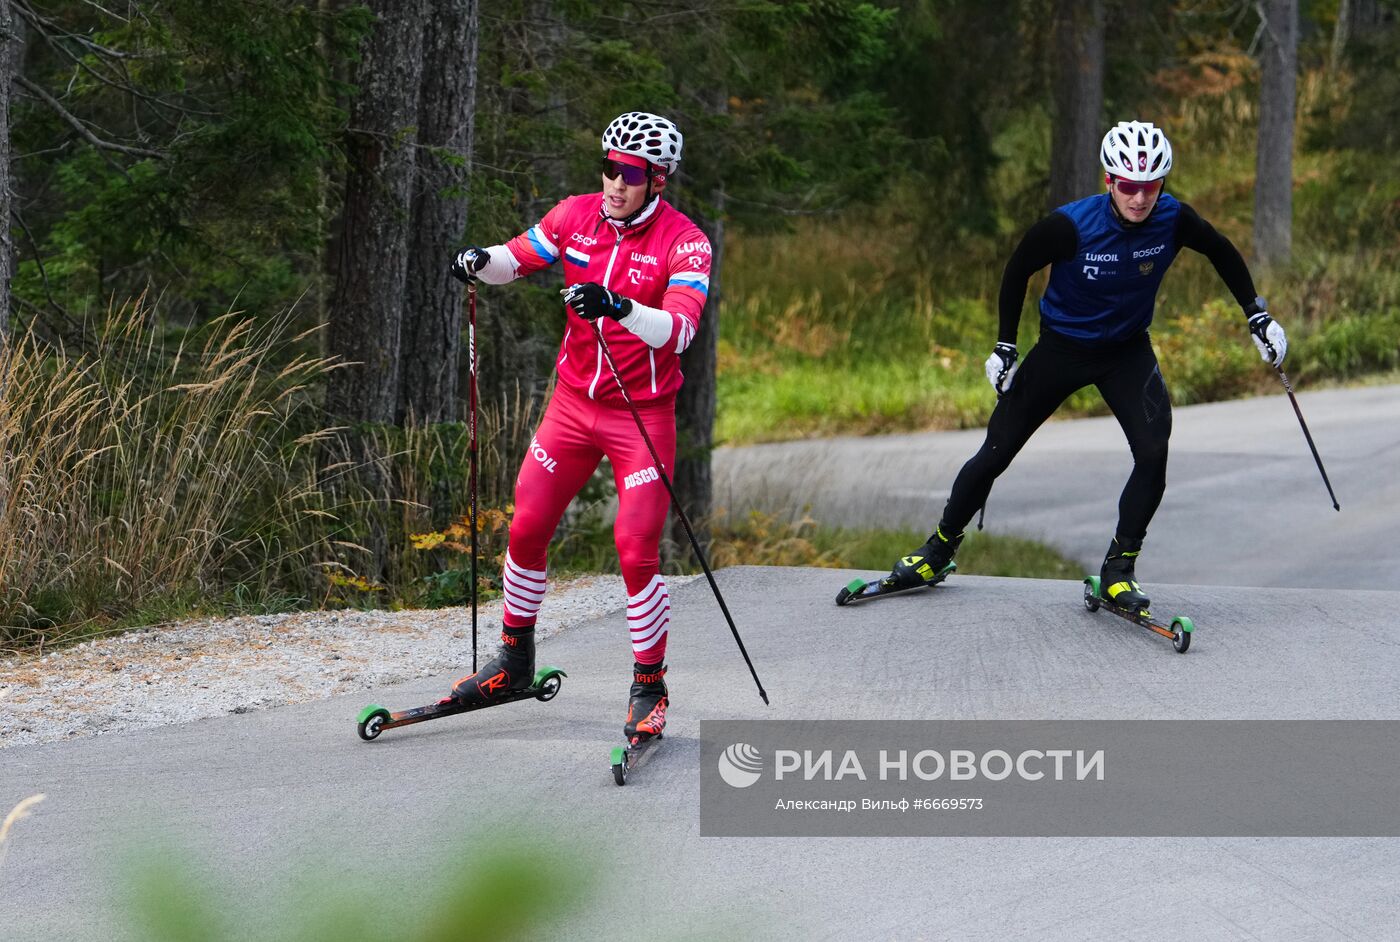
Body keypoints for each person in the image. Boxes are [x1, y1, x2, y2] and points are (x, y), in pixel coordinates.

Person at [882, 120, 1288, 612]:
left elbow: (1221, 251)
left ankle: (1119, 569)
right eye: (1129, 186)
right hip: (1062, 348)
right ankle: (938, 550)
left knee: (1154, 452)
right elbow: (1016, 270)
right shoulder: (1070, 226)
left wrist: (1257, 315)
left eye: (1152, 186)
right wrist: (1004, 346)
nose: (1140, 199)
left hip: (1126, 352)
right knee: (995, 452)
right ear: (1108, 181)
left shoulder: (1173, 219)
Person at [446, 111, 711, 743]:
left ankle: (650, 685)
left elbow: (680, 332)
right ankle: (514, 661)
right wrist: (481, 261)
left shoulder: (686, 241)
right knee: (528, 522)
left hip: (640, 415)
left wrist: (620, 306)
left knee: (635, 550)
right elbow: (517, 258)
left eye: (630, 173)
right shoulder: (576, 214)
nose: (614, 183)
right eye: (608, 168)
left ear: (658, 180)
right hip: (572, 406)